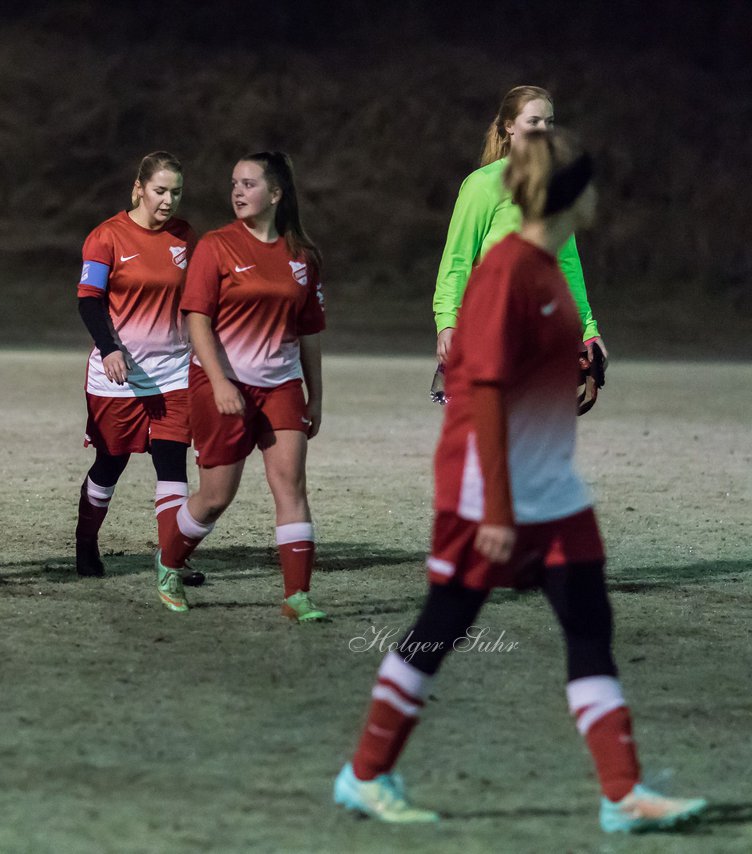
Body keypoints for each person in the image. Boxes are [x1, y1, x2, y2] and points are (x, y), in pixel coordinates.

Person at [333, 128, 707, 833]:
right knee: (441, 628)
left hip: (554, 491)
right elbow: (484, 400)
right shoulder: (506, 273)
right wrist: (499, 512)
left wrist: (581, 371)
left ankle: (622, 794)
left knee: (591, 624)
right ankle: (364, 775)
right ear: (570, 192)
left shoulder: (549, 266)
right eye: (588, 181)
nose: (596, 193)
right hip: (488, 493)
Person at [155, 152, 327, 621]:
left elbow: (309, 332)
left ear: (276, 194)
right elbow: (197, 321)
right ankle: (169, 562)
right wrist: (219, 382)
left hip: (281, 386)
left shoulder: (302, 256)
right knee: (215, 497)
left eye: (248, 184)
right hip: (222, 386)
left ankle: (297, 595)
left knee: (291, 485)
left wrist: (316, 394)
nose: (237, 192)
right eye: (234, 183)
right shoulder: (216, 246)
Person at [73, 151, 200, 582]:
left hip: (174, 373)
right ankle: (86, 543)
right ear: (139, 189)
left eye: (176, 193)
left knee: (173, 464)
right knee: (110, 465)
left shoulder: (185, 238)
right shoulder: (106, 236)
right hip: (119, 375)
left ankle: (172, 561)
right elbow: (88, 301)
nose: (168, 201)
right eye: (160, 191)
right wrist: (109, 348)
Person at [432, 86, 608, 375]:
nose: (543, 130)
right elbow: (457, 259)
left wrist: (587, 329)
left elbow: (566, 265)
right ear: (509, 126)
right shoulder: (483, 185)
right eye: (534, 121)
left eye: (549, 122)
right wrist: (447, 322)